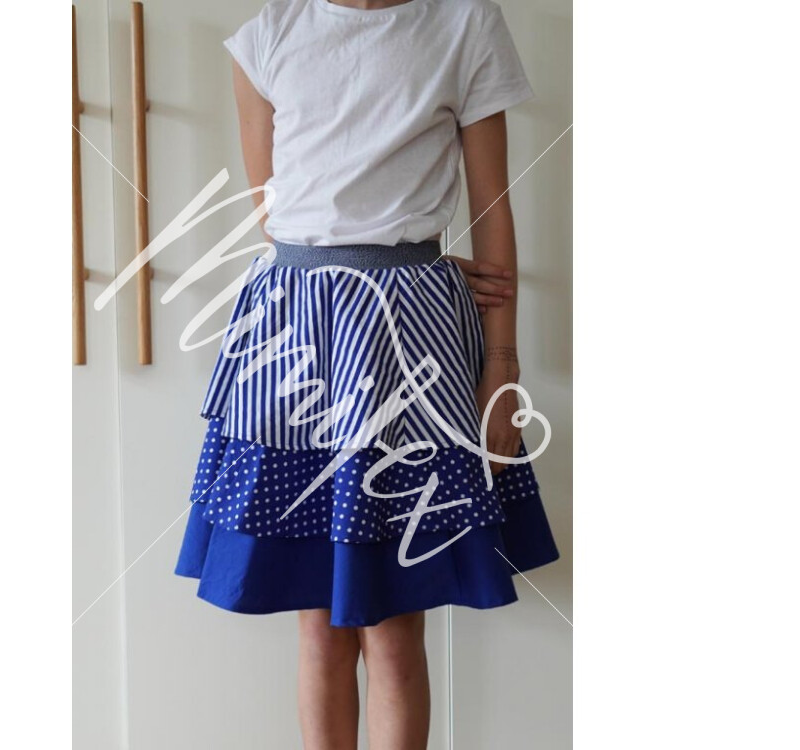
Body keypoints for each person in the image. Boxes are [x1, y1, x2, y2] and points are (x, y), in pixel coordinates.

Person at [174, 1, 560, 747]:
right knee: (318, 624)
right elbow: (278, 215)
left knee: (393, 623)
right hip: (296, 334)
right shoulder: (268, 36)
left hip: (413, 341)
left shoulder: (464, 23)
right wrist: (369, 257)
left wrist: (501, 368)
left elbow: (493, 206)